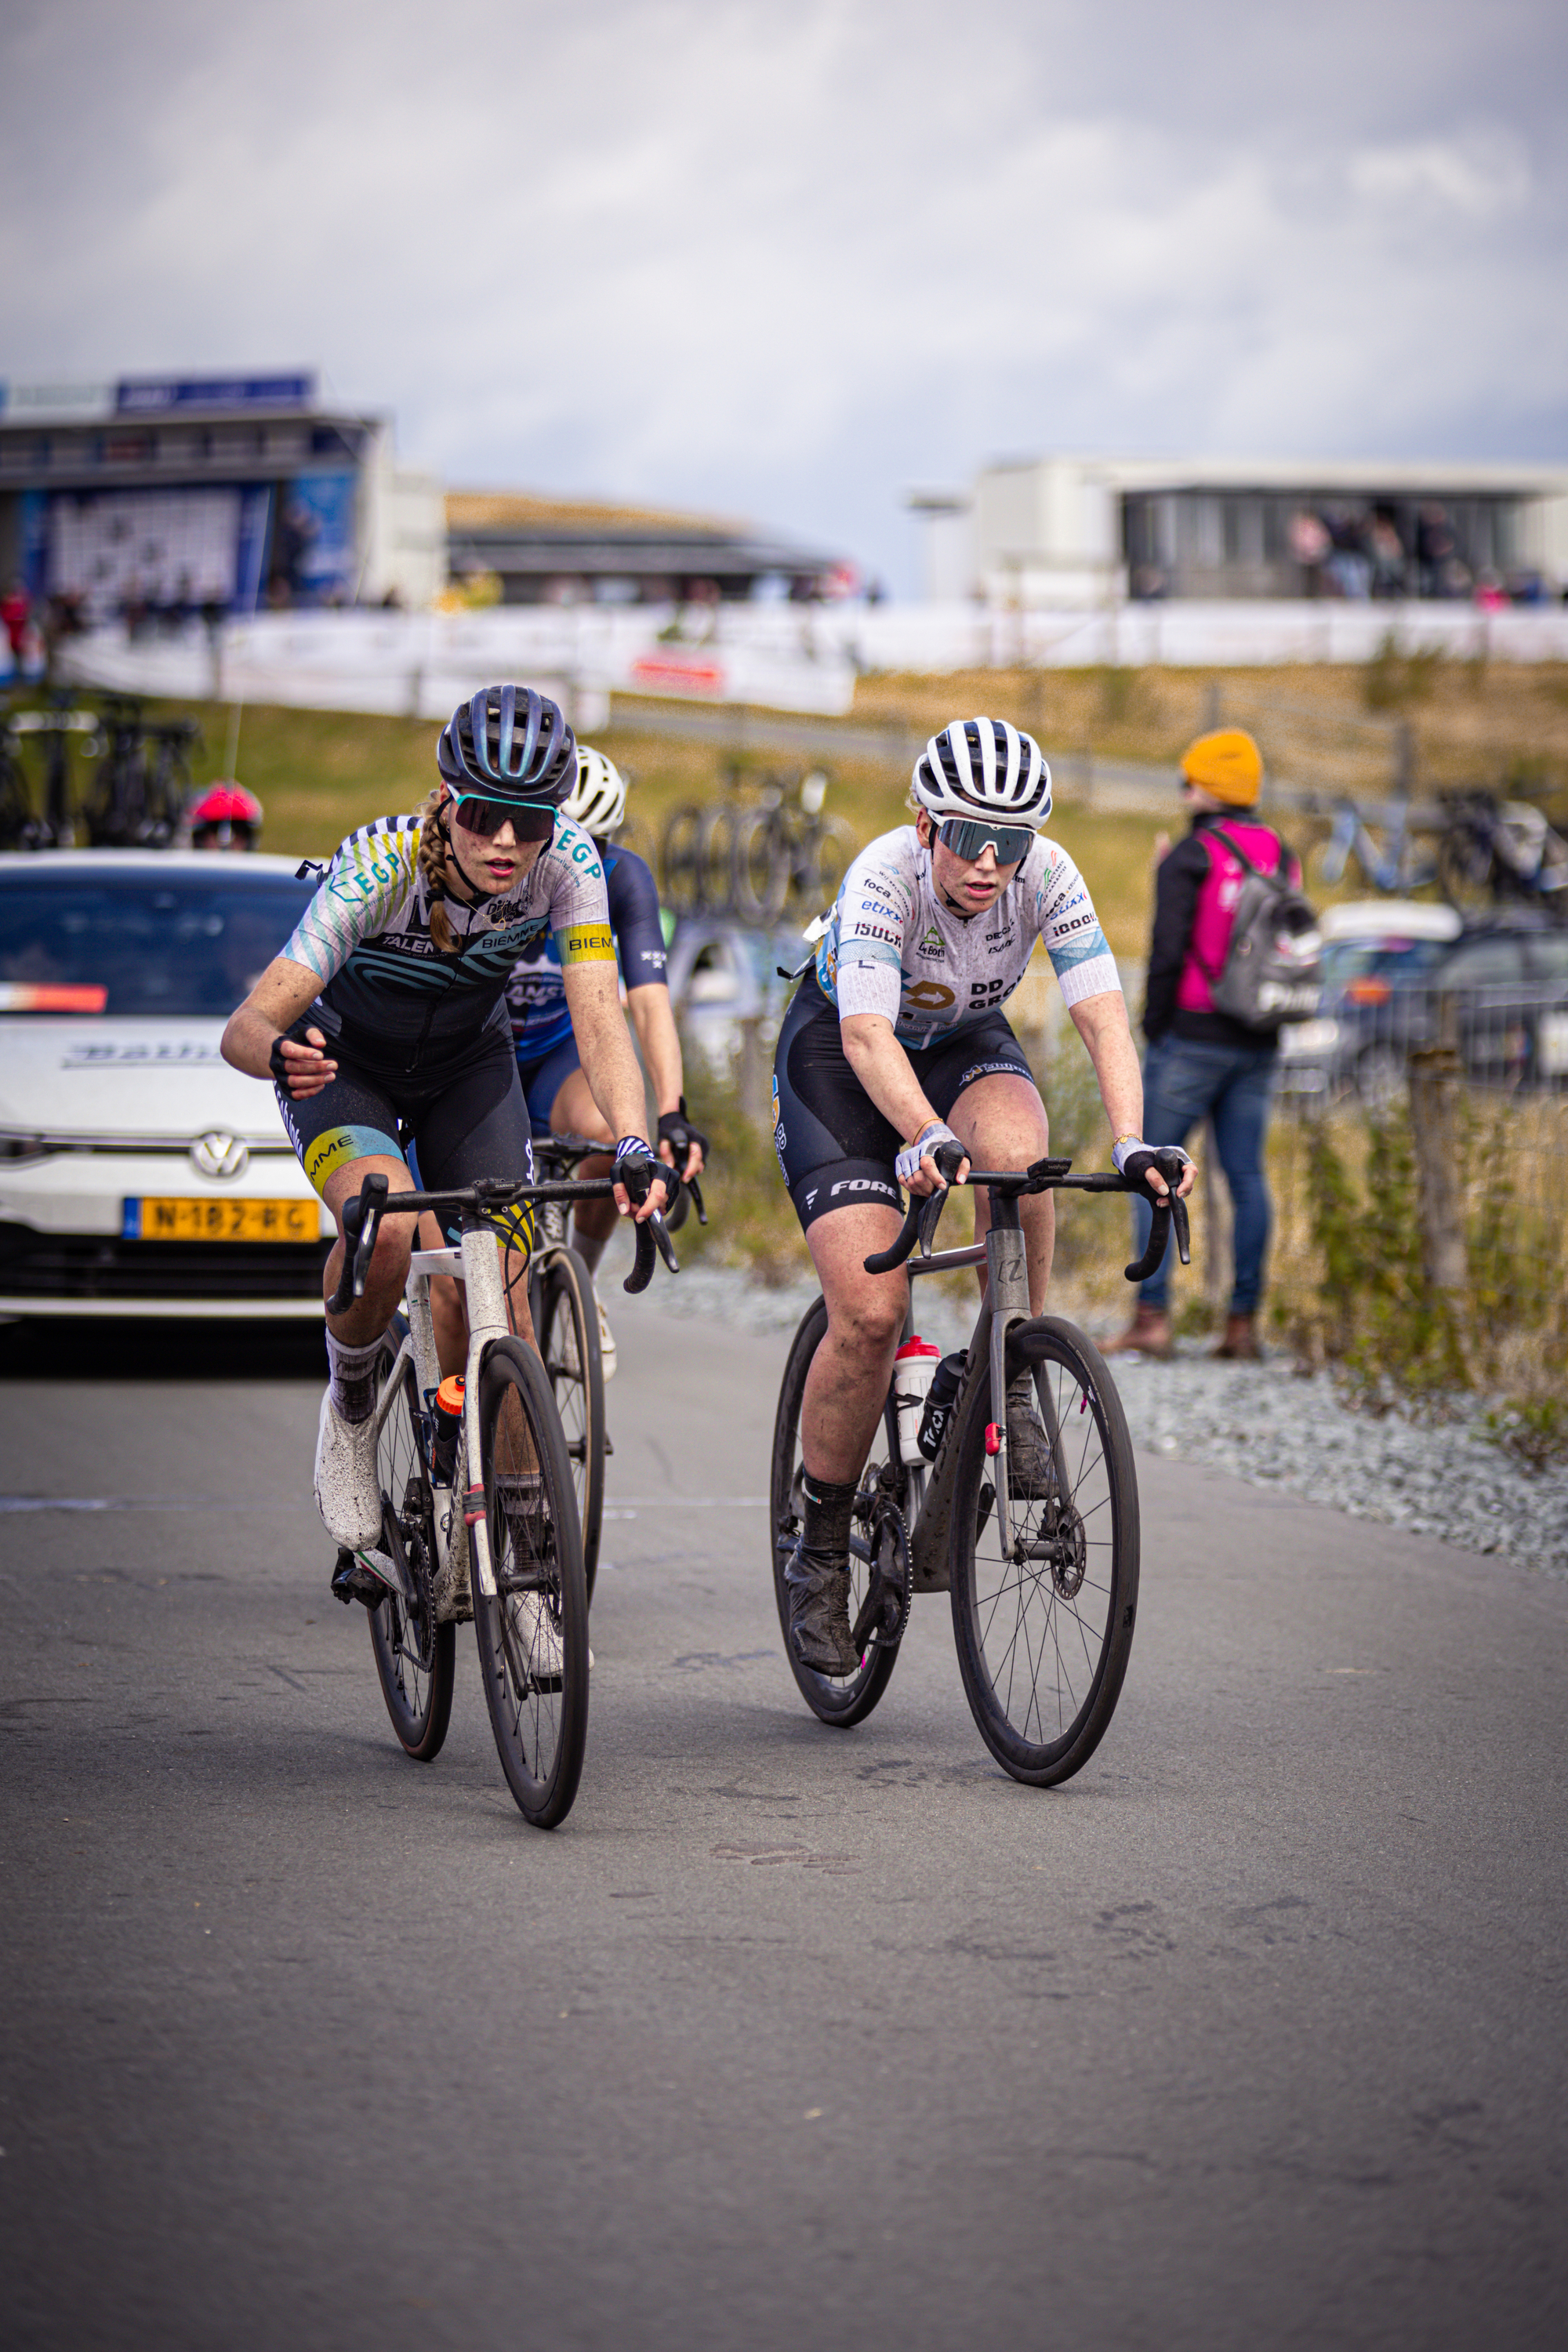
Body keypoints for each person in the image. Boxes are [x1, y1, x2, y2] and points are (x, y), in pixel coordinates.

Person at [220, 684, 674, 1608]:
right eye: (482, 815)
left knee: (497, 1300)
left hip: (469, 1068)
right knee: (385, 1233)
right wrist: (277, 1051)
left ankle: (529, 1564)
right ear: (444, 796)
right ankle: (350, 1408)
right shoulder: (376, 866)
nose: (504, 842)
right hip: (344, 1069)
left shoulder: (570, 864)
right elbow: (245, 1025)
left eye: (528, 822)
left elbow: (600, 1017)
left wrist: (637, 1140)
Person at [770, 715, 1195, 1676]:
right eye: (970, 839)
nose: (990, 863)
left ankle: (1009, 1362)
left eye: (1011, 844)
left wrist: (1131, 1142)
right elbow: (870, 1040)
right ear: (926, 826)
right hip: (842, 1054)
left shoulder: (1047, 873)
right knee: (873, 1311)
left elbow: (1101, 1017)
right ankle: (822, 1547)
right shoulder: (882, 874)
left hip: (961, 1039)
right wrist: (921, 1134)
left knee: (1017, 1153)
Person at [506, 744, 706, 1377]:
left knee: (615, 1136)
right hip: (489, 1055)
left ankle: (575, 1287)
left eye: (593, 847)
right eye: (563, 842)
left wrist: (671, 1112)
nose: (575, 865)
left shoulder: (623, 878)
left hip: (560, 1053)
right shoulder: (501, 872)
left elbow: (649, 1006)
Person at [1104, 728, 1299, 1364]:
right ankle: (1241, 1325)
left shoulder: (1191, 856)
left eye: (1188, 782)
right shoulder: (1281, 853)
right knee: (1245, 1176)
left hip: (1191, 1035)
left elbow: (1167, 950)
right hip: (1260, 1038)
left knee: (1152, 1170)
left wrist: (1154, 1027)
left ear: (1205, 789)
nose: (1184, 793)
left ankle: (1152, 1317)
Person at [188, 781, 263, 851]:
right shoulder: (180, 861)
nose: (227, 839)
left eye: (238, 829)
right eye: (215, 829)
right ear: (200, 837)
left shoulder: (266, 864)